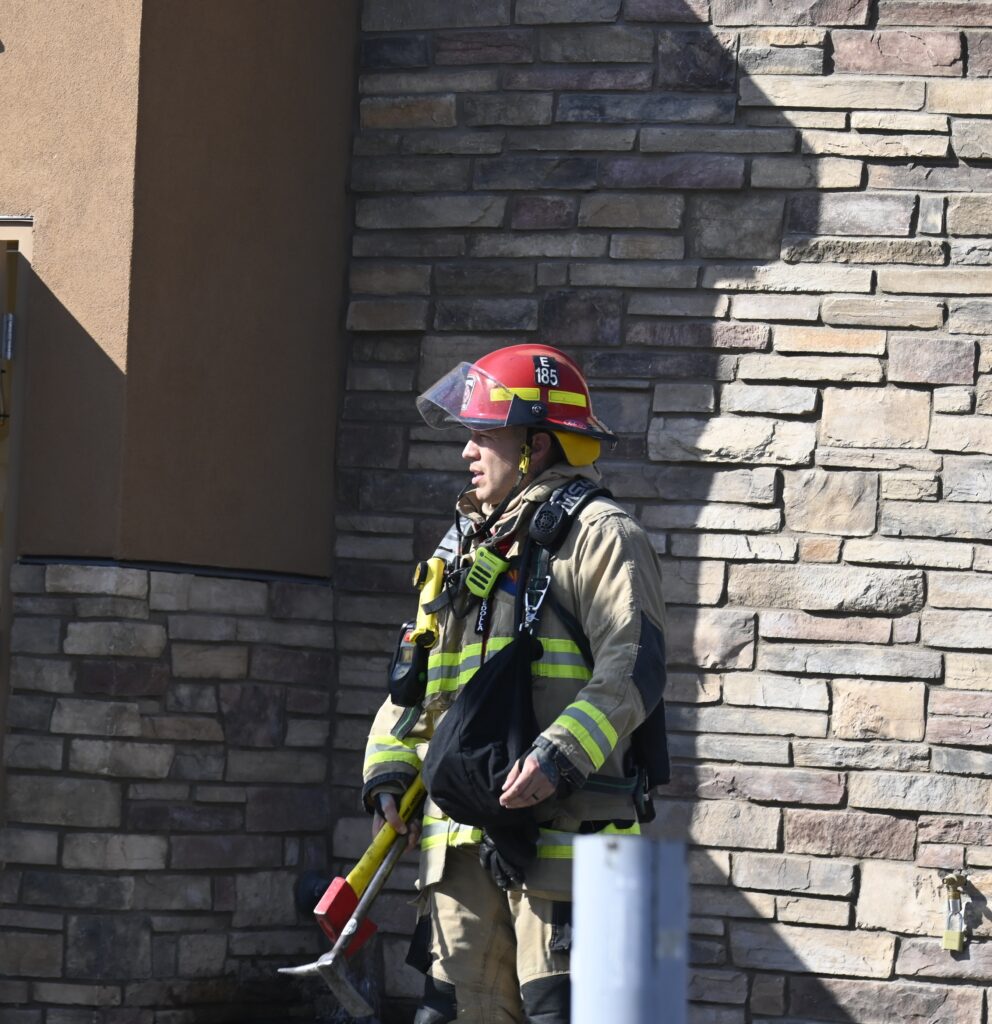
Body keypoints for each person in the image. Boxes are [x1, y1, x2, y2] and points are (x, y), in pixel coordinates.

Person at [361, 344, 668, 1024]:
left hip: (574, 849)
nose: (467, 451)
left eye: (484, 434)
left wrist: (557, 755)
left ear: (536, 445)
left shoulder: (602, 536)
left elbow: (634, 665)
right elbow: (416, 683)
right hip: (459, 852)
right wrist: (388, 770)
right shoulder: (461, 546)